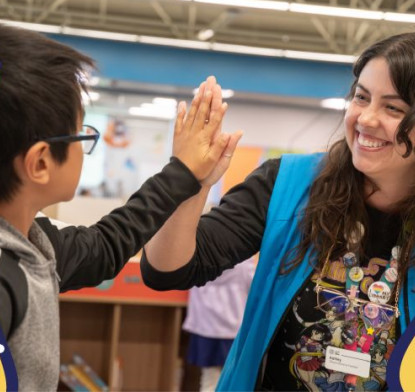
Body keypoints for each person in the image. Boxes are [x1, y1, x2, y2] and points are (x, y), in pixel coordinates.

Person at [141, 32, 415, 391]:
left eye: (393, 108)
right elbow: (168, 270)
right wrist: (191, 183)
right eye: (361, 98)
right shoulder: (288, 186)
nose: (366, 118)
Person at [0, 24, 242, 391]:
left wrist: (184, 174)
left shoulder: (33, 243)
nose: (85, 149)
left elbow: (104, 246)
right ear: (41, 163)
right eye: (83, 135)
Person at [183, 257, 255, 391]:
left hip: (206, 324)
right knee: (234, 377)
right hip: (233, 326)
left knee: (210, 379)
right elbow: (253, 285)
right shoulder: (243, 259)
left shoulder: (203, 254)